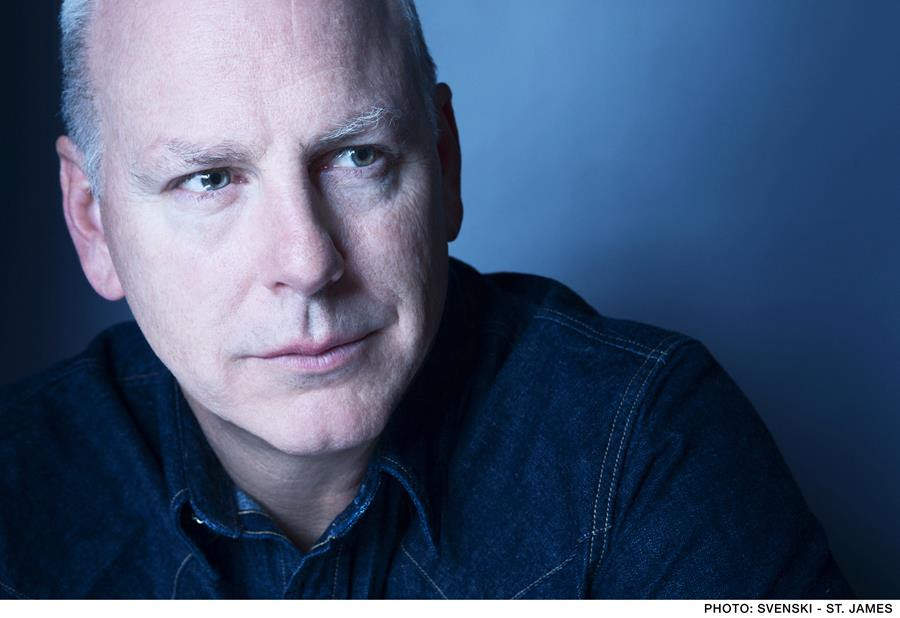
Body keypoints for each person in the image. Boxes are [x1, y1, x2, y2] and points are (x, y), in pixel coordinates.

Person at [0, 0, 852, 599]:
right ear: (93, 222)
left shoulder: (647, 443)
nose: (308, 261)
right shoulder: (18, 491)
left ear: (444, 164)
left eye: (357, 157)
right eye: (210, 179)